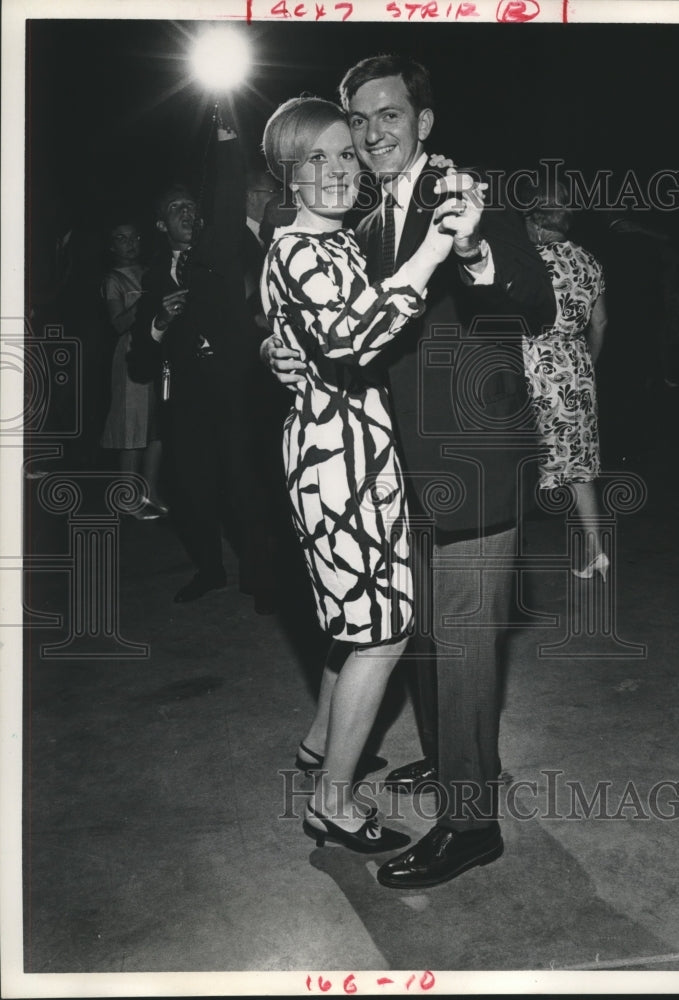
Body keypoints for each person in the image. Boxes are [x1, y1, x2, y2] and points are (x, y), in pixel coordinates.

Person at [265, 55, 556, 888]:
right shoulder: (357, 219)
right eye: (358, 121)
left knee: (460, 644)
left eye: (390, 115)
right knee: (421, 635)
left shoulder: (465, 195)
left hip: (470, 464)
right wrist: (277, 350)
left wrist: (471, 254)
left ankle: (471, 823)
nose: (372, 133)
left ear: (424, 123)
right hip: (389, 472)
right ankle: (450, 758)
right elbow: (328, 315)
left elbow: (533, 302)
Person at [261, 95, 482, 853]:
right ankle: (332, 803)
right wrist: (432, 251)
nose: (334, 170)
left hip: (353, 449)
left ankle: (324, 746)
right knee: (383, 634)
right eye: (313, 158)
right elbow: (356, 339)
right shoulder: (299, 246)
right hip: (338, 458)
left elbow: (293, 325)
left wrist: (276, 346)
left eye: (344, 154)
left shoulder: (333, 240)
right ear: (286, 173)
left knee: (357, 625)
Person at [128, 119, 262, 604]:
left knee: (245, 487)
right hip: (186, 404)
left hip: (235, 391)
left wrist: (226, 133)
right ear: (161, 225)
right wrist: (158, 325)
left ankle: (259, 575)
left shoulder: (219, 253)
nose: (186, 213)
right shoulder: (152, 287)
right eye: (174, 210)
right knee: (194, 491)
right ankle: (209, 569)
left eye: (190, 206)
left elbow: (227, 194)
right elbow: (138, 366)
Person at [520, 179, 609, 579]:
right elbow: (602, 322)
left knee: (521, 456)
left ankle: (506, 560)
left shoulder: (530, 261)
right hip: (576, 365)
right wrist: (586, 362)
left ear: (537, 223)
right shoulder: (590, 261)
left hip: (535, 363)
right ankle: (596, 553)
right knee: (579, 466)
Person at [99, 219, 166, 519]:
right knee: (132, 428)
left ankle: (149, 491)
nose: (130, 244)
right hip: (129, 355)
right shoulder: (112, 279)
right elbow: (117, 324)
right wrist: (145, 305)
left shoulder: (151, 271)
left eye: (134, 237)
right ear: (112, 246)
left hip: (156, 351)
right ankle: (127, 496)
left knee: (156, 427)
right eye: (122, 238)